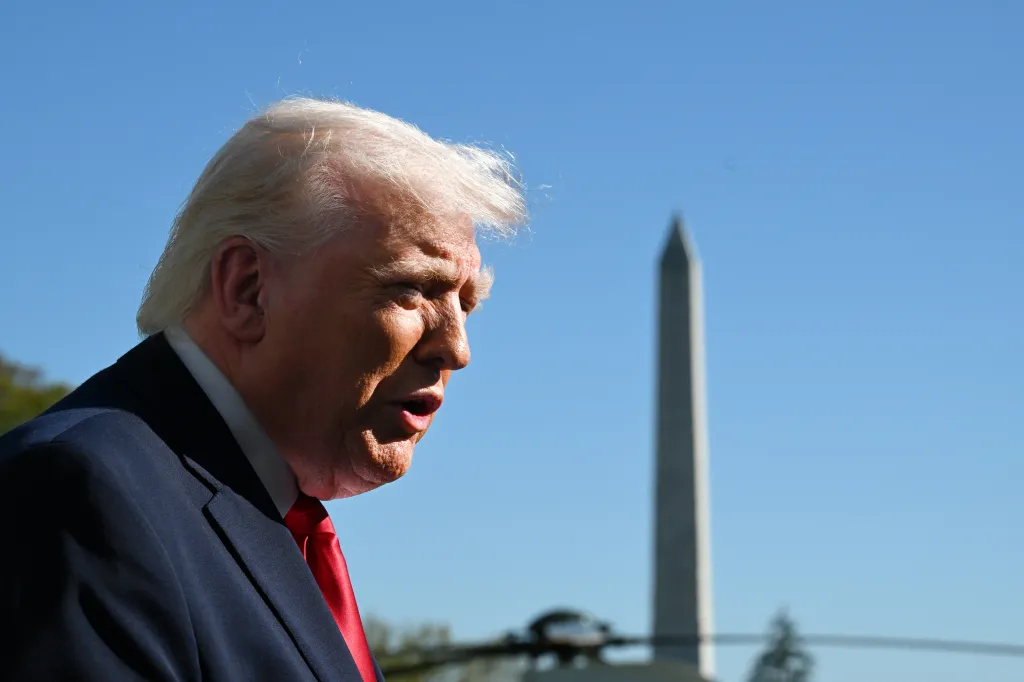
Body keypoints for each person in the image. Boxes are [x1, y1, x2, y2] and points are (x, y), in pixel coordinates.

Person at [0, 98, 527, 682]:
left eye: (467, 303)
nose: (457, 348)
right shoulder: (76, 494)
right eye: (411, 290)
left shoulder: (255, 512)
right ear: (248, 289)